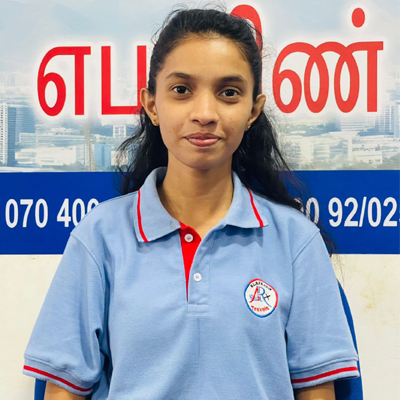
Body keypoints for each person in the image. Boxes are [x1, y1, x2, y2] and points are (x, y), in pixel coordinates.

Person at [23, 7, 359, 400]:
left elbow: (318, 392)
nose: (204, 114)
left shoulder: (296, 241)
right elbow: (63, 392)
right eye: (182, 90)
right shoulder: (100, 238)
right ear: (152, 105)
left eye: (228, 92)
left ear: (253, 110)